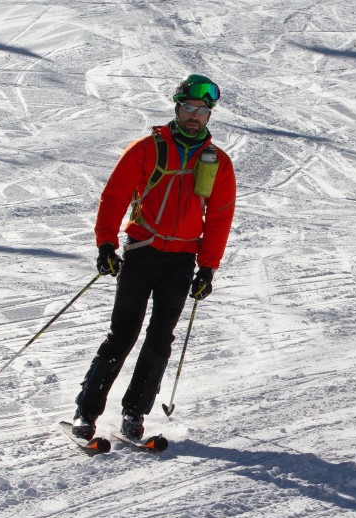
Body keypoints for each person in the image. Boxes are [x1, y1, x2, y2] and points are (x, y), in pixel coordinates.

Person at [71, 74, 236, 441]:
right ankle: (86, 412)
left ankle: (134, 413)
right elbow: (114, 195)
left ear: (210, 116)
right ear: (177, 107)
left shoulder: (217, 162)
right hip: (142, 253)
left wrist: (207, 267)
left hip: (180, 262)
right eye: (189, 108)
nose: (195, 116)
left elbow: (220, 217)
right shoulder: (148, 148)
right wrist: (105, 245)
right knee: (122, 335)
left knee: (161, 338)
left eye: (202, 111)